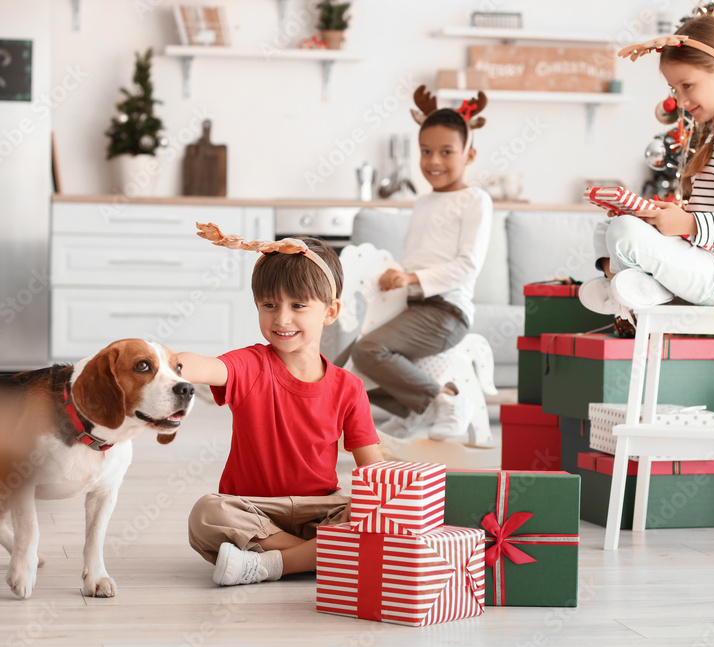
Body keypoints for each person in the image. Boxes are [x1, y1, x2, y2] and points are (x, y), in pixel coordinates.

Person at [180, 226, 383, 586]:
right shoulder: (250, 364)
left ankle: (270, 564)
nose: (282, 319)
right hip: (251, 507)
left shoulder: (349, 387)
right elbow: (204, 366)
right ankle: (318, 555)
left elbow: (375, 472)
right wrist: (165, 361)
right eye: (269, 305)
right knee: (206, 514)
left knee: (370, 511)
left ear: (330, 310)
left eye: (298, 305)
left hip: (319, 509)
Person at [580, 15, 714, 323]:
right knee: (610, 227)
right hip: (709, 259)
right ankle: (637, 285)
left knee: (624, 232)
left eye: (687, 85)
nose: (681, 99)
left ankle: (632, 285)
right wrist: (665, 217)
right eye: (674, 88)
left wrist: (688, 224)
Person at [350, 86, 493, 441]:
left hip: (446, 311)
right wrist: (395, 277)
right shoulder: (423, 201)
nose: (433, 161)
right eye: (426, 151)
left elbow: (467, 266)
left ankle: (441, 399)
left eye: (447, 152)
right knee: (346, 363)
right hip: (413, 306)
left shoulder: (475, 200)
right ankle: (414, 409)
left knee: (368, 349)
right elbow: (421, 256)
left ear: (469, 154)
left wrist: (412, 277)